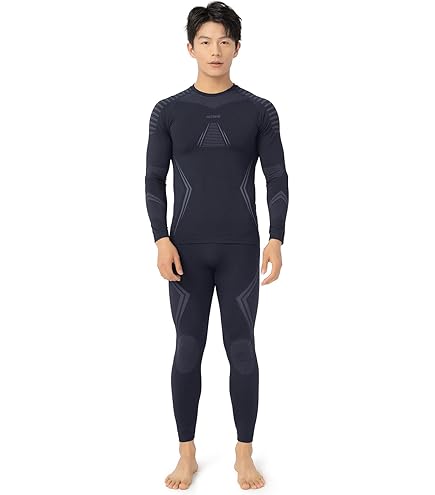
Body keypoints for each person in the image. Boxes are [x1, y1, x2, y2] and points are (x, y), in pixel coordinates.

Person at [145, 1, 288, 490]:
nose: (215, 50)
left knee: (242, 349)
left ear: (237, 48)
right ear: (190, 48)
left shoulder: (259, 110)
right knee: (187, 349)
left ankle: (243, 455)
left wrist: (276, 237)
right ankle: (186, 454)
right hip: (185, 250)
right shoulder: (167, 111)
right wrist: (161, 238)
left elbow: (276, 177)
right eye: (205, 41)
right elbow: (153, 179)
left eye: (224, 41)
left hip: (240, 249)